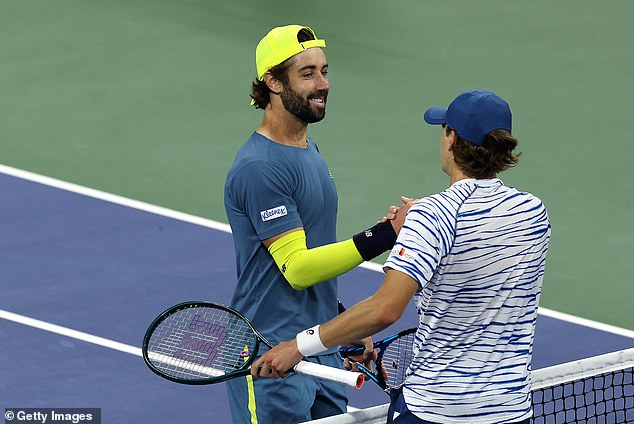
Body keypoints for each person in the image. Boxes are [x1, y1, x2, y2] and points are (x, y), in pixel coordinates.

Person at [252, 90, 552, 424]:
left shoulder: (434, 217)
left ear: (451, 138)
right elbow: (478, 236)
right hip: (509, 412)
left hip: (437, 411)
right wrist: (427, 221)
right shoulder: (534, 213)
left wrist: (299, 346)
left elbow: (385, 310)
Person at [224, 24, 410, 424]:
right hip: (271, 355)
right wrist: (385, 235)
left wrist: (343, 324)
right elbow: (298, 268)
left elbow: (316, 251)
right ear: (272, 82)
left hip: (314, 347)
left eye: (324, 71)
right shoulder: (260, 168)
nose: (322, 84)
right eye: (307, 74)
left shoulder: (309, 150)